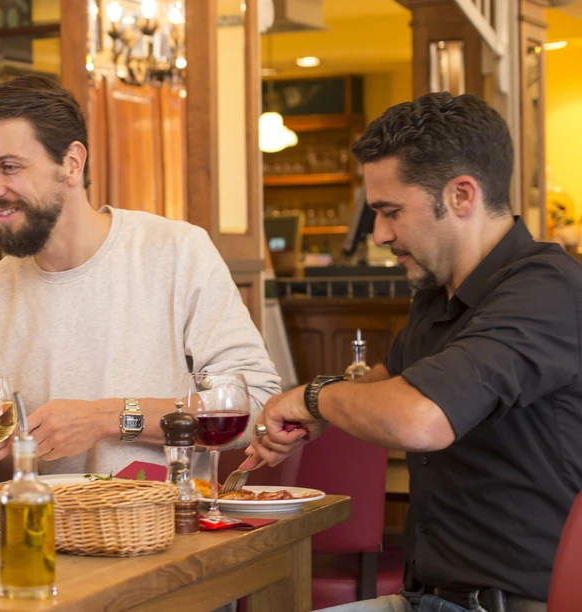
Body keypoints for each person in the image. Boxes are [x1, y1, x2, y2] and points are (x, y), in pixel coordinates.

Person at [242, 93, 578, 612]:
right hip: (425, 598)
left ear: (462, 195)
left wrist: (314, 397)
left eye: (391, 211)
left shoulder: (548, 290)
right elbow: (386, 383)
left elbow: (421, 418)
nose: (378, 234)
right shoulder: (439, 290)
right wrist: (315, 418)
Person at [0, 75, 280, 478]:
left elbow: (258, 404)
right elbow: (5, 442)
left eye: (9, 167)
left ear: (72, 163)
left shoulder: (177, 251)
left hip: (163, 526)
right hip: (38, 527)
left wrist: (108, 418)